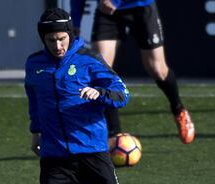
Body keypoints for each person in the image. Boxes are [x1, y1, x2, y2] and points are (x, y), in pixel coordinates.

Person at [24, 8, 130, 184]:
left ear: (70, 34)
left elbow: (122, 95)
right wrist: (36, 132)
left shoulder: (89, 60)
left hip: (92, 152)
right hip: (54, 158)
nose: (57, 45)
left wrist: (100, 93)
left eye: (62, 38)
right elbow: (34, 100)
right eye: (51, 40)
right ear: (43, 38)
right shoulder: (34, 64)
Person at [70, 0, 195, 144]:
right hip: (107, 11)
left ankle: (178, 109)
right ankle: (115, 136)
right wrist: (76, 21)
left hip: (140, 6)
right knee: (101, 71)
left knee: (157, 69)